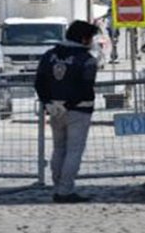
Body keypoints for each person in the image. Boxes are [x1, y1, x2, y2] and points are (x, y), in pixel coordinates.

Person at [34, 20, 99, 204]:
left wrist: (48, 103)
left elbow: (39, 82)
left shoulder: (49, 55)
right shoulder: (87, 59)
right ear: (84, 39)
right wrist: (69, 105)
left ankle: (57, 187)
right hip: (79, 109)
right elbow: (86, 88)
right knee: (74, 151)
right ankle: (65, 190)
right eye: (91, 38)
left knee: (59, 148)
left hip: (54, 108)